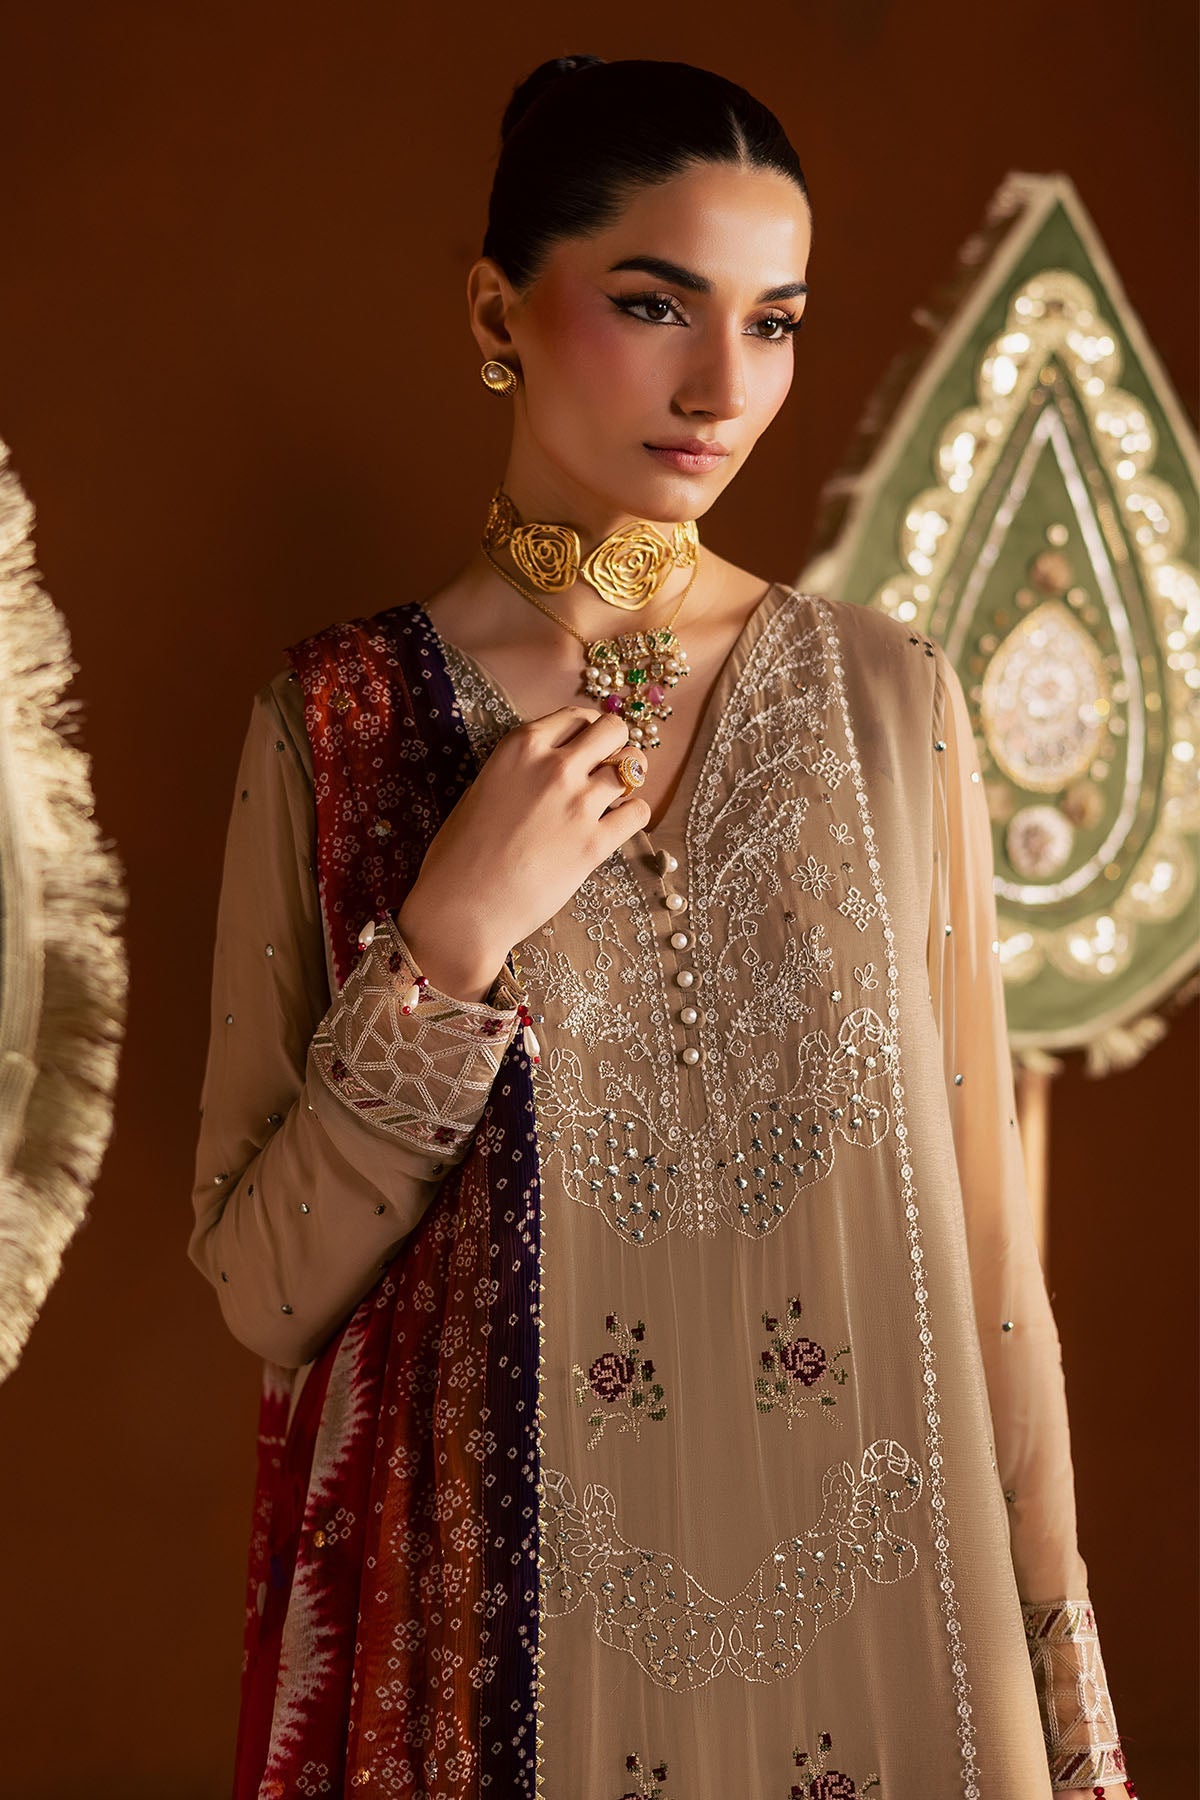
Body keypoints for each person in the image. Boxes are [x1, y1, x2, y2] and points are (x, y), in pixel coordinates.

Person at [190, 54, 1133, 1800]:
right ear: (498, 310)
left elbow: (995, 1266)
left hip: (897, 1666)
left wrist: (1057, 1694)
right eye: (654, 303)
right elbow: (264, 1287)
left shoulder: (890, 702)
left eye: (773, 323)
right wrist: (449, 942)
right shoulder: (339, 725)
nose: (724, 386)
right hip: (505, 1674)